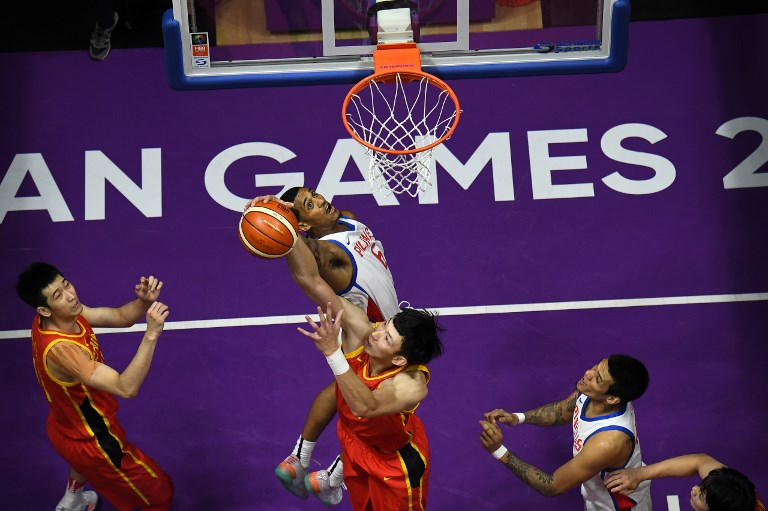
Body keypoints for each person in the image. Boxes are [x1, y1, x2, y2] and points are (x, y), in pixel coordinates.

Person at [245, 187, 399, 505]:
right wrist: (278, 220)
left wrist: (279, 204)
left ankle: (299, 459)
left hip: (374, 325)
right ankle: (331, 478)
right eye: (309, 206)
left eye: (313, 195)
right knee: (385, 411)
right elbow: (306, 272)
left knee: (342, 388)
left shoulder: (349, 221)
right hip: (371, 335)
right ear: (301, 226)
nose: (320, 201)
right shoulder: (328, 256)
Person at [286, 234, 444, 510]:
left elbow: (364, 406)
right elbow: (310, 280)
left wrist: (333, 354)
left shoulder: (410, 385)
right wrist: (286, 230)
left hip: (394, 465)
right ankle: (330, 476)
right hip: (355, 445)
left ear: (398, 360)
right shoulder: (364, 330)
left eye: (387, 338)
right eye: (386, 324)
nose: (377, 332)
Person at [15, 262, 174, 511]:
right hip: (94, 440)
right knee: (159, 493)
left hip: (64, 424)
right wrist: (151, 334)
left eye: (66, 284)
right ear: (43, 310)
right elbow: (126, 387)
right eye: (58, 295)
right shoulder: (63, 350)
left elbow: (120, 317)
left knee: (79, 461)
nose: (70, 295)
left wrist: (142, 302)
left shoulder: (60, 318)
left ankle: (72, 502)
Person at [479, 355, 651, 510]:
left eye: (597, 378)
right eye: (596, 366)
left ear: (612, 399)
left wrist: (498, 450)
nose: (588, 373)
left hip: (617, 506)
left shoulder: (606, 442)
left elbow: (551, 486)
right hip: (598, 492)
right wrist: (518, 418)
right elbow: (563, 411)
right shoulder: (597, 394)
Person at [604, 453, 765, 511]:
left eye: (702, 496)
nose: (694, 489)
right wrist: (639, 474)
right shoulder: (728, 486)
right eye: (702, 487)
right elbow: (700, 461)